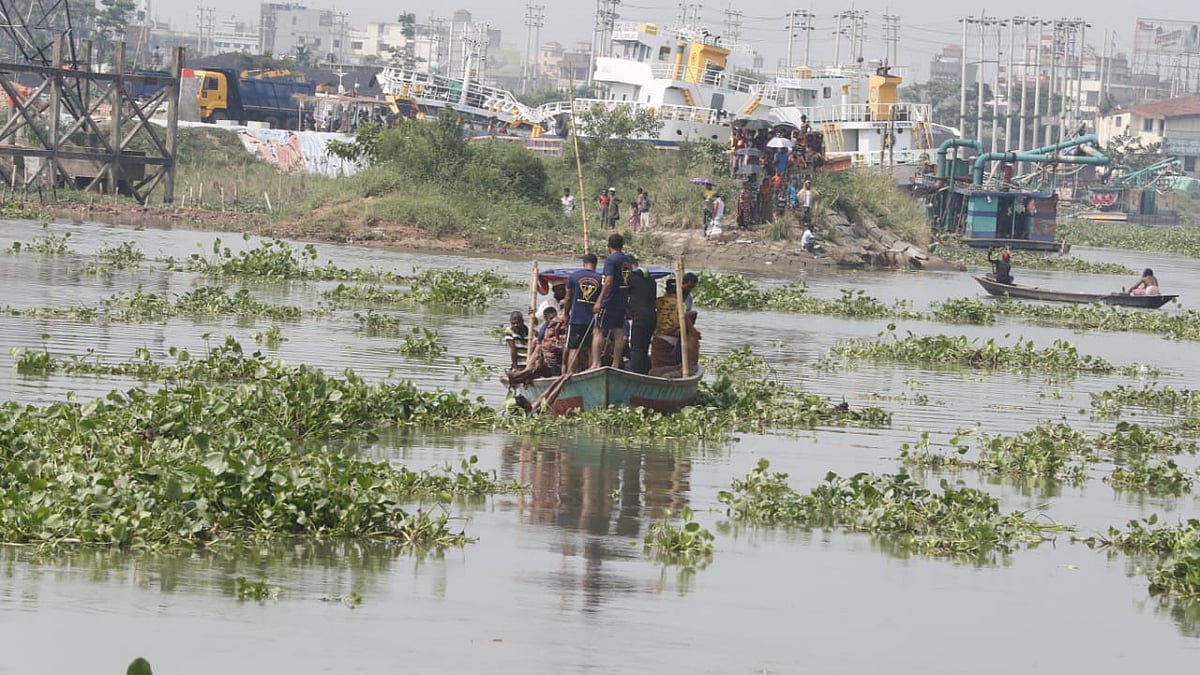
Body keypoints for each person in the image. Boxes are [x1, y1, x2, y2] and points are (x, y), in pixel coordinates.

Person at [590, 233, 633, 370]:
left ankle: (596, 363)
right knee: (619, 332)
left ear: (609, 246)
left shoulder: (611, 260)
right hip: (622, 301)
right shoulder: (627, 261)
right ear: (622, 245)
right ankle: (615, 364)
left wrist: (599, 301)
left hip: (610, 300)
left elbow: (608, 281)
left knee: (598, 330)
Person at [565, 252, 602, 372]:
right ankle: (592, 372)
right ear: (595, 264)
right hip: (593, 320)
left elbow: (568, 298)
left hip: (576, 318)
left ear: (584, 263)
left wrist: (565, 314)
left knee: (574, 348)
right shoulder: (600, 279)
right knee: (591, 349)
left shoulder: (574, 277)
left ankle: (570, 373)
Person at [626, 256, 658, 374]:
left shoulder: (631, 278)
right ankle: (643, 372)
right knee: (644, 348)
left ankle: (634, 373)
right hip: (652, 317)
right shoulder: (651, 279)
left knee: (636, 348)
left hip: (640, 318)